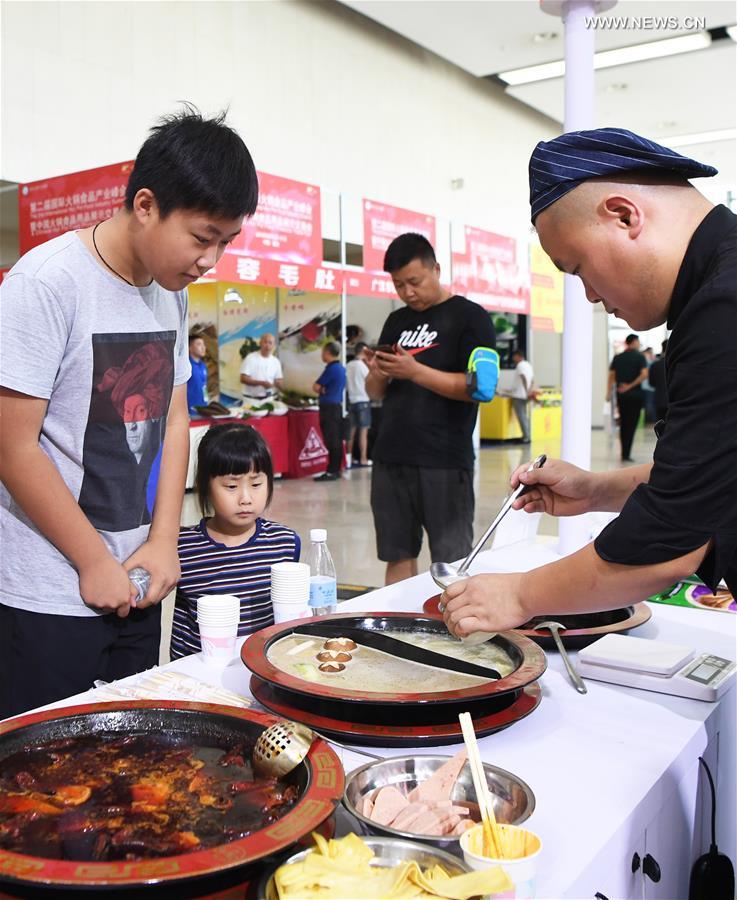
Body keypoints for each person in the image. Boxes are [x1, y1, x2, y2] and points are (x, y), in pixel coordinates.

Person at [0, 106, 258, 718]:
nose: (210, 260)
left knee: (127, 764)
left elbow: (173, 419)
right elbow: (12, 445)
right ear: (145, 205)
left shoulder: (169, 290)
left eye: (226, 242)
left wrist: (164, 540)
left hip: (140, 576)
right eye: (202, 238)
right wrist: (92, 561)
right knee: (40, 785)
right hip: (48, 590)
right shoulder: (47, 284)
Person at [441, 127, 736, 642]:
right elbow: (709, 478)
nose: (590, 296)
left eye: (576, 268)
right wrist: (594, 490)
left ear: (623, 215)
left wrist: (518, 595)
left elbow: (670, 540)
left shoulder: (724, 305)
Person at [366, 232, 497, 585]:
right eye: (398, 285)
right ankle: (394, 630)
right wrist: (377, 372)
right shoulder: (396, 322)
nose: (408, 292)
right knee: (396, 553)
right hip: (391, 456)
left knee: (451, 563)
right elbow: (375, 392)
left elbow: (480, 390)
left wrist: (415, 371)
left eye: (415, 281)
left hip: (444, 459)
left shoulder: (471, 318)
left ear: (436, 269)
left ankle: (452, 637)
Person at [170, 424, 300, 659]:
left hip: (263, 669)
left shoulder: (285, 543)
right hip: (201, 676)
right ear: (205, 487)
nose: (246, 499)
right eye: (231, 486)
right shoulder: (181, 548)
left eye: (256, 484)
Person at [607, 333, 648, 461]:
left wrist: (608, 393)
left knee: (623, 423)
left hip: (621, 395)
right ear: (634, 342)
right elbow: (644, 375)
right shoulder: (640, 357)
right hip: (635, 395)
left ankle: (623, 453)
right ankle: (627, 453)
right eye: (638, 341)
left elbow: (612, 376)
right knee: (632, 424)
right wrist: (630, 386)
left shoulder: (618, 357)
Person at [312, 342, 346, 482]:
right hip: (337, 407)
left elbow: (315, 386)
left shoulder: (331, 369)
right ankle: (336, 469)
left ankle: (332, 470)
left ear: (327, 352)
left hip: (329, 408)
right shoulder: (341, 368)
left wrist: (322, 389)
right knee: (336, 439)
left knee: (332, 440)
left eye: (322, 351)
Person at [346, 341, 372, 467]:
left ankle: (349, 459)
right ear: (363, 350)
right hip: (363, 400)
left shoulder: (348, 365)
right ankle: (363, 458)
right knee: (363, 432)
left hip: (352, 401)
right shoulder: (362, 366)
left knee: (351, 432)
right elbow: (370, 380)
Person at [240, 332, 283, 400]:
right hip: (251, 399)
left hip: (269, 399)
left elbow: (279, 380)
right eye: (265, 342)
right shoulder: (250, 357)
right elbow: (243, 379)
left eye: (270, 343)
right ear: (260, 343)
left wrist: (278, 384)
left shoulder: (276, 361)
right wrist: (261, 383)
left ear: (273, 345)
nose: (267, 345)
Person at [510, 349, 534, 444]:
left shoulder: (520, 365)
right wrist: (529, 391)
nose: (513, 358)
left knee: (521, 416)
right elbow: (532, 380)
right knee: (524, 415)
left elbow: (523, 377)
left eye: (514, 356)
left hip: (519, 395)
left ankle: (526, 437)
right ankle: (527, 435)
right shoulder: (528, 365)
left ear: (518, 356)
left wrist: (526, 391)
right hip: (525, 394)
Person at [187, 333, 209, 415]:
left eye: (204, 344)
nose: (203, 347)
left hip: (204, 408)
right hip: (190, 411)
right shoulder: (186, 365)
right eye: (199, 344)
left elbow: (204, 386)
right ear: (190, 348)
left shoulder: (203, 365)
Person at [648, 339, 669, 422]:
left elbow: (651, 383)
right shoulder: (678, 364)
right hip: (674, 400)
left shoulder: (655, 365)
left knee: (661, 425)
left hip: (659, 399)